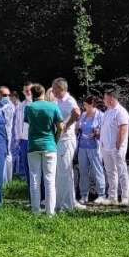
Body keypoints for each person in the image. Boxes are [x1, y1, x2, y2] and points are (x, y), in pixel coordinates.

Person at [25, 83, 63, 215]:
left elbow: (29, 123)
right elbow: (61, 127)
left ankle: (35, 211)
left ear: (33, 94)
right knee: (50, 180)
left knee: (35, 179)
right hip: (49, 145)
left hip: (33, 145)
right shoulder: (53, 107)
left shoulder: (29, 107)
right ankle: (50, 212)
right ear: (43, 93)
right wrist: (55, 140)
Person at [51, 78, 82, 212]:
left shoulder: (69, 100)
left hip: (66, 140)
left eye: (54, 88)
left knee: (64, 171)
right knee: (60, 172)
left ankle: (66, 205)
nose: (52, 90)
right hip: (58, 140)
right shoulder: (57, 101)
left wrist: (66, 126)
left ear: (61, 88)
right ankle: (63, 202)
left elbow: (77, 113)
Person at [100, 89, 129, 206]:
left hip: (116, 148)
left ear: (111, 98)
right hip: (106, 147)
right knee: (110, 172)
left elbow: (123, 128)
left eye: (105, 98)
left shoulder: (121, 112)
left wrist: (118, 144)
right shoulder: (108, 111)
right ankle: (112, 197)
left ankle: (125, 197)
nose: (104, 100)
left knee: (122, 172)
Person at [76, 96, 107, 205]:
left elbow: (104, 132)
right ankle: (84, 195)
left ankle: (102, 195)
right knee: (83, 171)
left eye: (86, 105)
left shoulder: (101, 116)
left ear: (92, 105)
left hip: (94, 147)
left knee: (97, 170)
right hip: (82, 147)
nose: (84, 107)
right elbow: (78, 128)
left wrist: (97, 133)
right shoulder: (83, 115)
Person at [13, 83, 33, 182]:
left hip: (34, 138)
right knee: (24, 160)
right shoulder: (20, 106)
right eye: (26, 91)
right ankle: (26, 180)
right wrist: (18, 137)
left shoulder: (37, 104)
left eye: (29, 90)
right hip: (23, 138)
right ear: (23, 92)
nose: (28, 92)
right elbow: (17, 123)